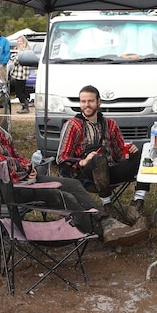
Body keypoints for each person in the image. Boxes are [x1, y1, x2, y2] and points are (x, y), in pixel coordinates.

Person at [0, 93, 148, 246]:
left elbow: (16, 156)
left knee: (72, 184)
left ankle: (105, 222)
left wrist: (28, 168)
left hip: (22, 181)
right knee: (62, 195)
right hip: (1, 189)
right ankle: (104, 231)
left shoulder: (0, 133)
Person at [56, 85, 149, 225]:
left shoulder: (110, 124)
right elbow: (61, 157)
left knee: (145, 152)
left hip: (111, 171)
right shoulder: (73, 125)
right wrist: (82, 161)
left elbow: (119, 155)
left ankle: (137, 204)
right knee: (98, 158)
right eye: (83, 101)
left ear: (99, 102)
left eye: (90, 101)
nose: (86, 105)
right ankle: (107, 204)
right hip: (86, 174)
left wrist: (130, 151)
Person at [9, 35, 32, 114]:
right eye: (18, 41)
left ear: (24, 41)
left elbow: (16, 61)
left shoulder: (23, 51)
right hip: (21, 73)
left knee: (19, 92)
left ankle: (25, 106)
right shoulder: (25, 50)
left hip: (21, 74)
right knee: (22, 90)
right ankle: (25, 105)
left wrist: (15, 59)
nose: (19, 43)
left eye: (20, 41)